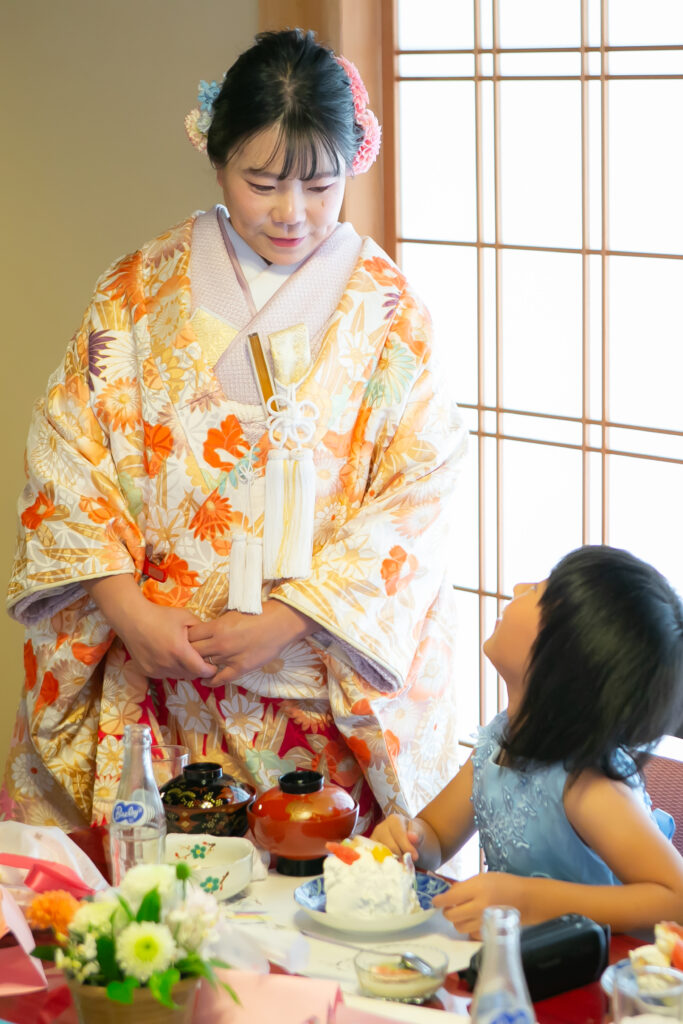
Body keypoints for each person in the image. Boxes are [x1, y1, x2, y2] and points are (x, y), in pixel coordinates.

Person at [1, 29, 467, 834]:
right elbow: (67, 457)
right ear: (214, 158)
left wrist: (289, 620)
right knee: (151, 923)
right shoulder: (138, 289)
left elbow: (416, 494)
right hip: (152, 671)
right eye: (262, 183)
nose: (293, 214)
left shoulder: (390, 315)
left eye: (321, 187)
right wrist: (129, 612)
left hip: (313, 687)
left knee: (314, 917)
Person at [372, 545, 683, 934]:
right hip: (529, 963)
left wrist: (527, 900)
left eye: (536, 590)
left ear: (565, 656)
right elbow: (435, 835)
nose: (518, 586)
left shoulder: (585, 782)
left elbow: (676, 899)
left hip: (595, 973)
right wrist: (410, 838)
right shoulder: (499, 743)